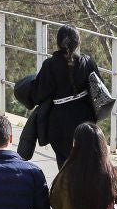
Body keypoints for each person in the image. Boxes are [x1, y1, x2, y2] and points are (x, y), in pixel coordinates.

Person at [30, 26, 102, 167]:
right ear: (78, 43)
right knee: (87, 161)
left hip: (59, 121)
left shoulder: (49, 65)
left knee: (64, 164)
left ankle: (66, 188)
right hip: (85, 119)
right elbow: (99, 89)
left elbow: (38, 94)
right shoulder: (87, 62)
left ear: (58, 42)